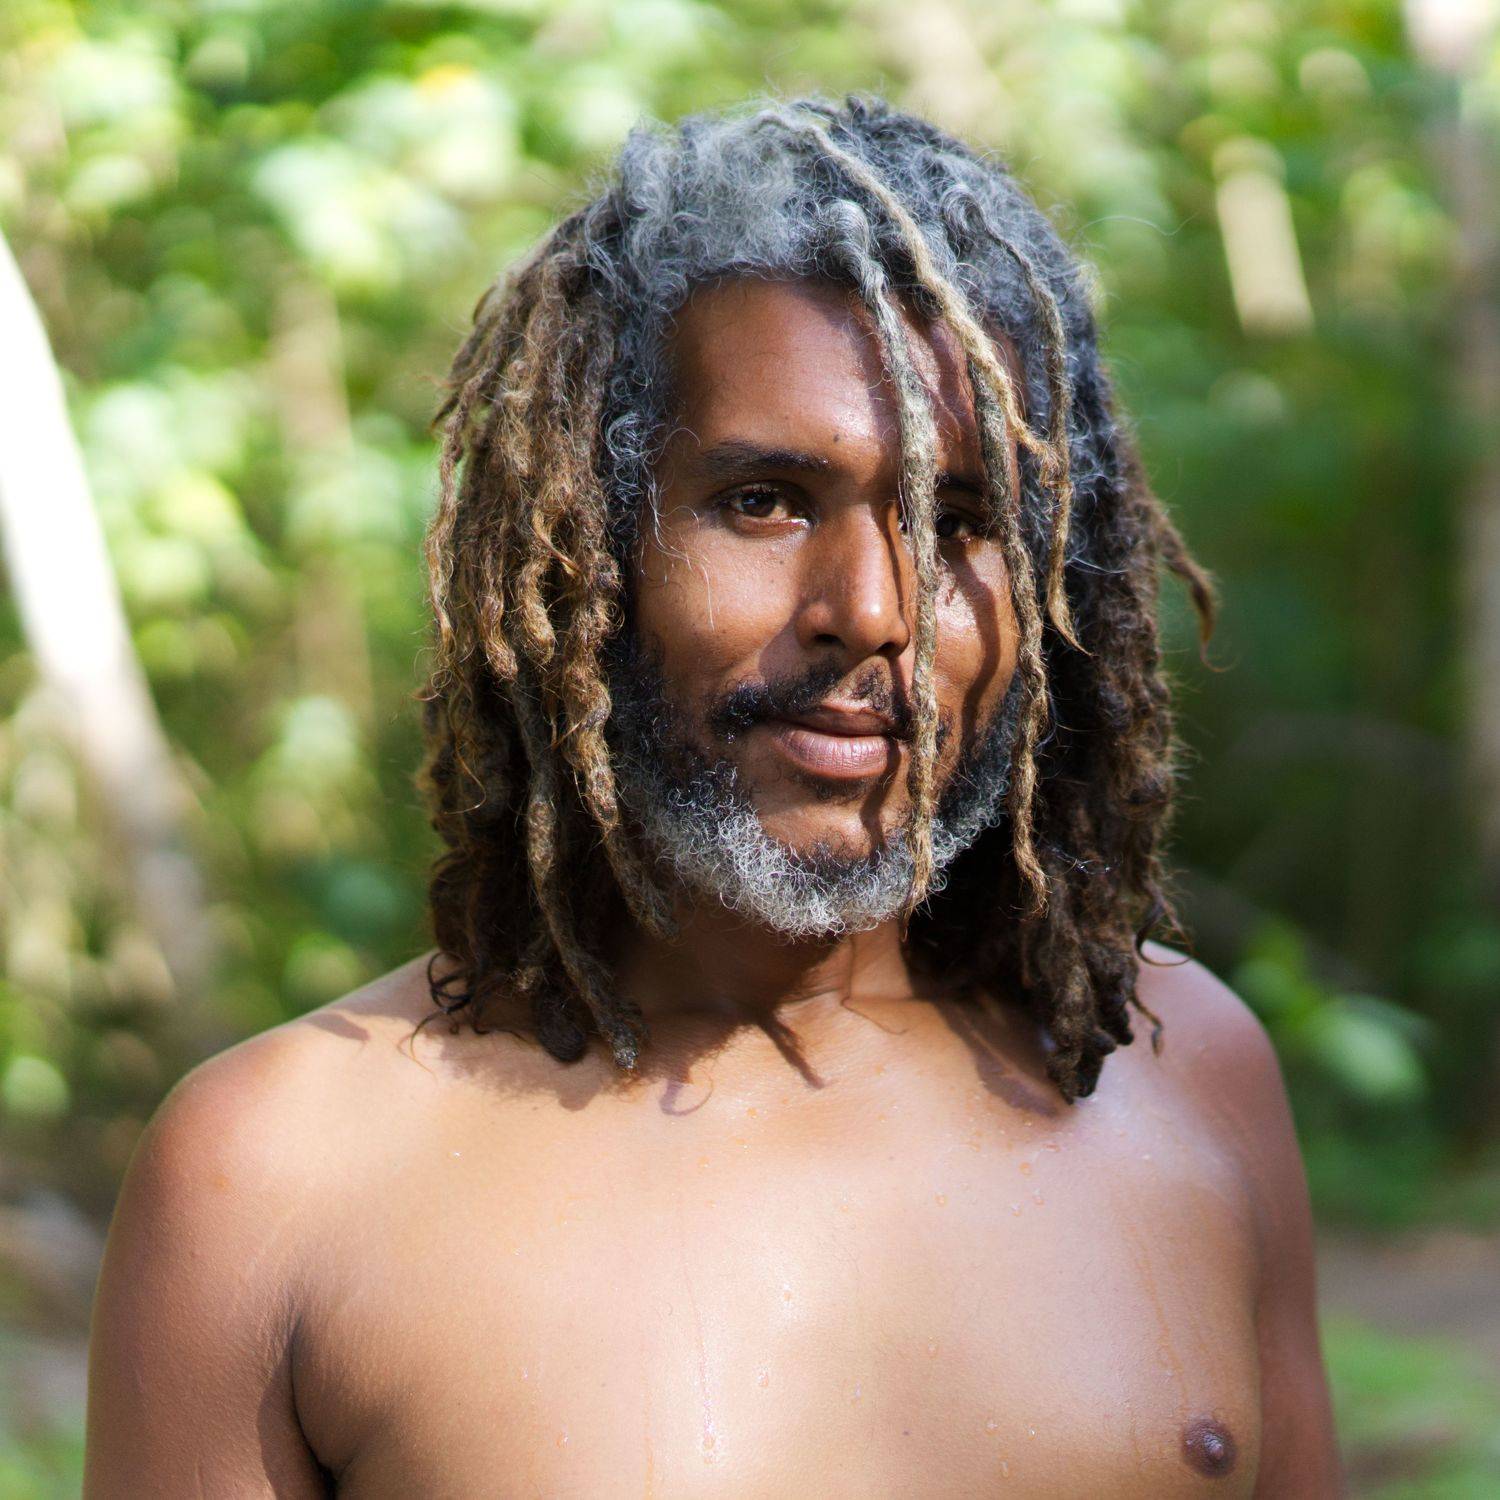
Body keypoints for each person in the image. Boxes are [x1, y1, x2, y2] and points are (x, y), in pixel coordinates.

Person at [82, 94, 1343, 1496]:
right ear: (588, 544)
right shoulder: (273, 1177)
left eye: (961, 521)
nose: (874, 610)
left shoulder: (1179, 1073)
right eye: (764, 501)